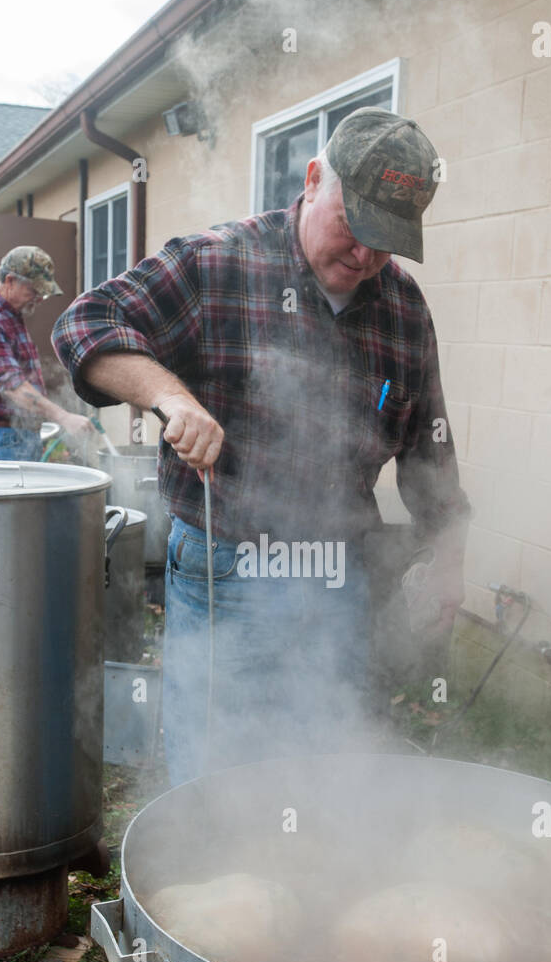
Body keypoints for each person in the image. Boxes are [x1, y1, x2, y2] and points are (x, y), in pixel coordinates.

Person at [52, 108, 470, 784]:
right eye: (353, 225)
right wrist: (171, 396)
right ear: (311, 181)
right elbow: (85, 324)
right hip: (227, 564)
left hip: (341, 574)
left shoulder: (402, 307)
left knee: (326, 753)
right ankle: (208, 875)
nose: (364, 256)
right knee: (218, 763)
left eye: (385, 240)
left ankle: (307, 876)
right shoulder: (217, 262)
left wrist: (449, 554)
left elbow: (430, 447)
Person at [0, 245, 93, 460]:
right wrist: (64, 417)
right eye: (34, 290)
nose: (39, 298)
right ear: (10, 280)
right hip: (3, 438)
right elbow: (12, 387)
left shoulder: (11, 316)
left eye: (42, 292)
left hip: (20, 434)